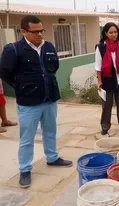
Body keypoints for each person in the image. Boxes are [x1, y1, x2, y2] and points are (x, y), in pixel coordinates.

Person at [0, 15, 72, 188]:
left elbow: (54, 67)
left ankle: (52, 157)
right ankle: (25, 169)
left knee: (50, 132)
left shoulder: (48, 47)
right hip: (28, 103)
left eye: (41, 30)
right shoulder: (13, 49)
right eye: (35, 31)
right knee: (27, 138)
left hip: (49, 99)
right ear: (23, 31)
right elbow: (5, 73)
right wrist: (21, 86)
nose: (39, 34)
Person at [95, 22, 119, 136]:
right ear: (106, 33)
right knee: (106, 106)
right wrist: (99, 81)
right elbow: (98, 66)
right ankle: (105, 127)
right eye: (111, 32)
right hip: (107, 80)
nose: (113, 34)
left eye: (115, 32)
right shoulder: (101, 47)